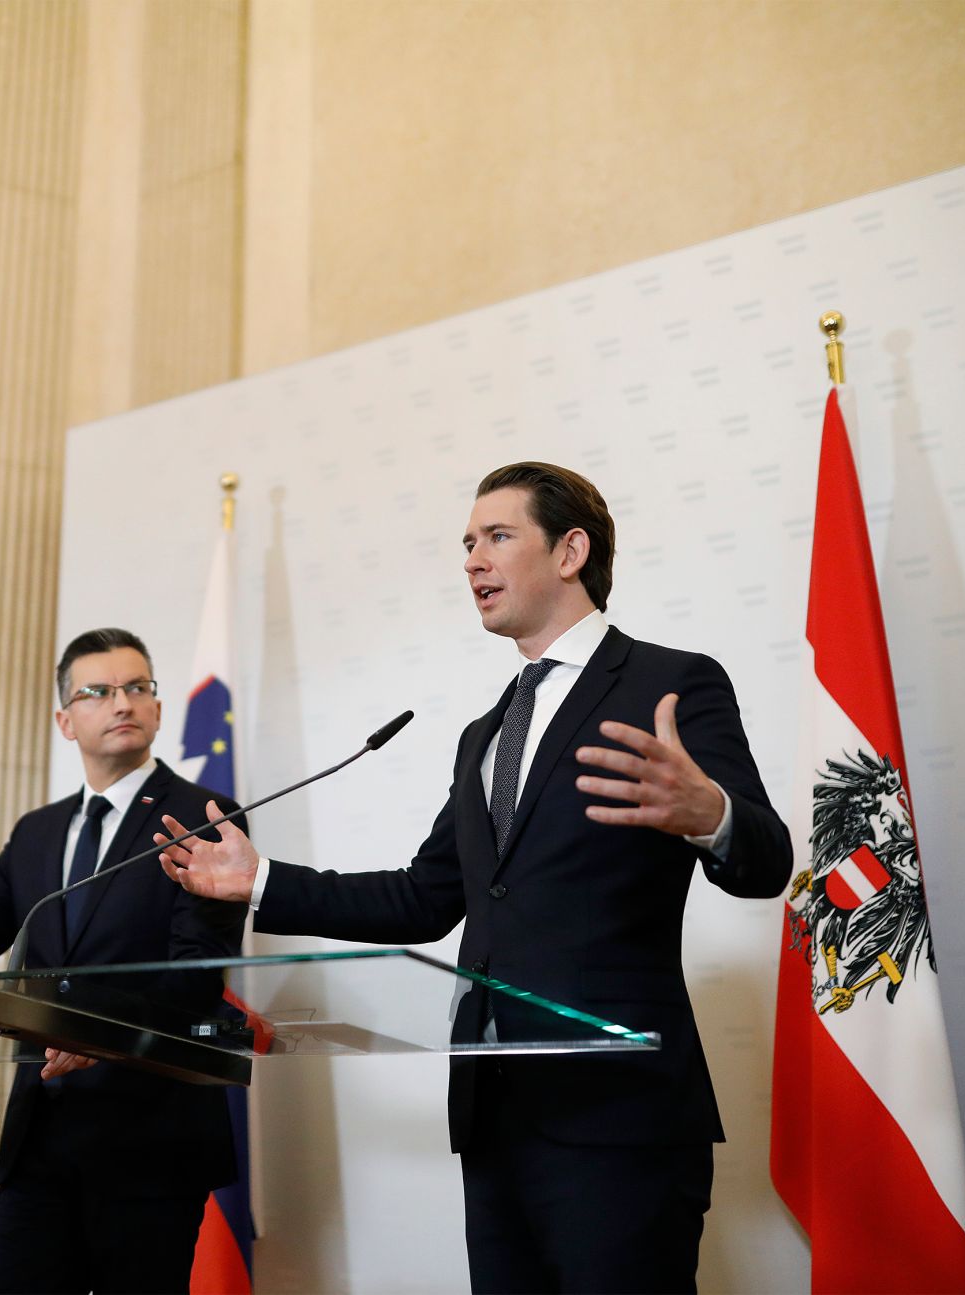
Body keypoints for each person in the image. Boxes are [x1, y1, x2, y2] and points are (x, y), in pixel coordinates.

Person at [157, 462, 792, 1294]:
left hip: (618, 1116)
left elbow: (767, 860)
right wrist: (260, 880)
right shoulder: (485, 734)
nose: (472, 560)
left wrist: (710, 811)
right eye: (466, 543)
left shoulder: (671, 682)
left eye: (496, 536)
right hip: (493, 1115)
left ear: (571, 551)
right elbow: (423, 899)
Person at [0, 627, 248, 1294]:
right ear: (65, 720)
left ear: (157, 706)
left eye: (137, 687)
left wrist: (94, 1030)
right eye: (98, 691)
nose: (121, 702)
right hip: (41, 1143)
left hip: (150, 1144)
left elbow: (197, 972)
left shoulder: (202, 817)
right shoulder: (37, 831)